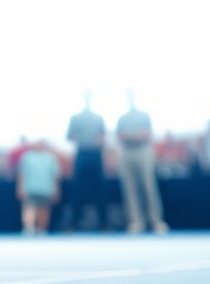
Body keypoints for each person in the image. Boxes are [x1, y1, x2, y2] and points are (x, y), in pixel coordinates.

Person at [114, 92, 168, 234]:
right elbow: (120, 136)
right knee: (130, 189)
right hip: (127, 153)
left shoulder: (144, 115)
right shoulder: (122, 118)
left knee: (148, 186)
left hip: (143, 151)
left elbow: (146, 134)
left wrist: (131, 136)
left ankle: (155, 221)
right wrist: (136, 136)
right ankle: (136, 222)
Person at [66, 90, 109, 231]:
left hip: (95, 154)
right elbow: (69, 136)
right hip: (82, 153)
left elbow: (103, 136)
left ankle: (104, 224)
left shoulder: (98, 118)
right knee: (77, 189)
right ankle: (73, 223)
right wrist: (81, 138)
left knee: (100, 189)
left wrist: (98, 141)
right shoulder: (75, 118)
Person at [17, 138, 62, 236]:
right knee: (29, 208)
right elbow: (21, 174)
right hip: (30, 188)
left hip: (46, 189)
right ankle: (29, 229)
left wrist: (56, 190)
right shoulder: (27, 157)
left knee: (44, 210)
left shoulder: (51, 158)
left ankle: (42, 230)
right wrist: (20, 188)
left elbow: (56, 176)